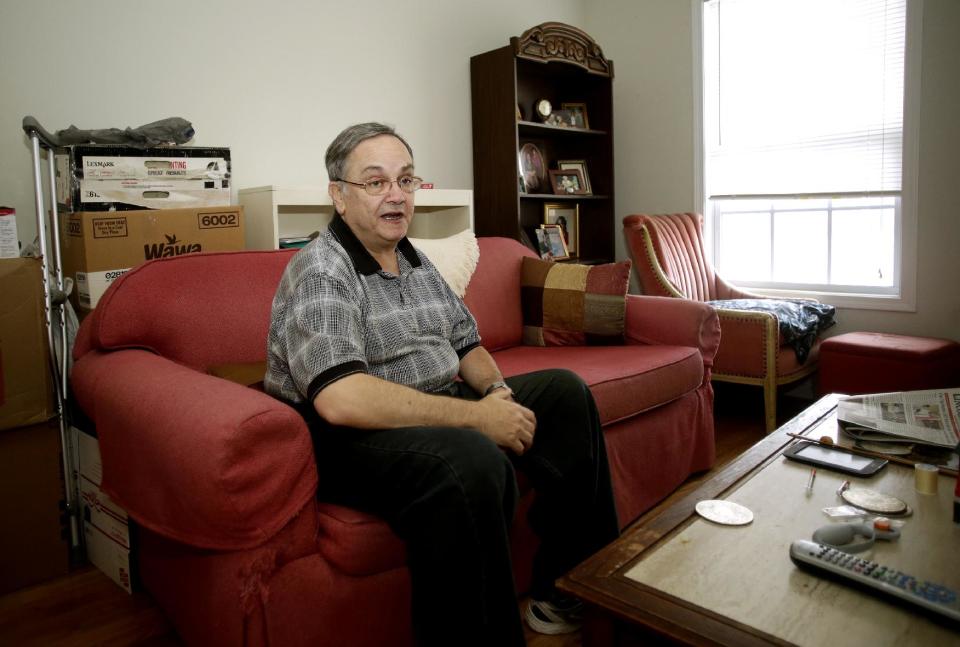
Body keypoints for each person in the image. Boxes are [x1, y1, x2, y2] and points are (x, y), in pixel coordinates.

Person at [265, 122, 619, 646]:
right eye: (376, 182)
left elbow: (466, 343)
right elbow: (341, 399)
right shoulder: (322, 270)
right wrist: (478, 418)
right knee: (472, 460)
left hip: (428, 406)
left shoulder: (413, 257)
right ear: (339, 196)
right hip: (348, 438)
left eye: (406, 181)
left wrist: (497, 394)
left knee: (565, 393)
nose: (396, 196)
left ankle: (565, 588)